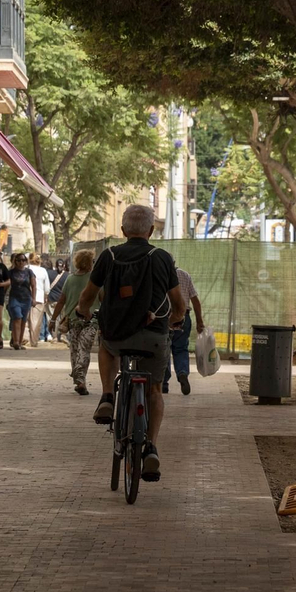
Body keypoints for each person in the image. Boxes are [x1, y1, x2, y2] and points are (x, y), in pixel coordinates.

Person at [75, 204, 185, 482]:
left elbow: (88, 295)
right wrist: (177, 319)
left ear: (123, 230)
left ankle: (107, 397)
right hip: (154, 335)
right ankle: (150, 448)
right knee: (155, 390)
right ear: (150, 231)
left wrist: (82, 312)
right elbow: (178, 302)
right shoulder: (162, 258)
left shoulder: (108, 256)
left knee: (107, 347)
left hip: (116, 334)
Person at [50, 249, 99, 394]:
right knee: (84, 349)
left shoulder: (70, 279)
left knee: (75, 350)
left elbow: (61, 301)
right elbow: (103, 297)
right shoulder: (94, 279)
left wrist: (53, 319)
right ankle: (81, 379)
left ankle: (79, 380)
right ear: (90, 262)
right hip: (91, 320)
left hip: (73, 320)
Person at [163, 265, 206, 395]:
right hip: (183, 317)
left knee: (163, 349)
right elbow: (195, 300)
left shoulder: (160, 274)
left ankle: (163, 384)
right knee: (181, 348)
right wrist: (199, 321)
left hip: (165, 317)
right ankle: (182, 373)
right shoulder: (185, 275)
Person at [6, 252, 36, 349]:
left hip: (26, 298)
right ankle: (15, 341)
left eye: (23, 260)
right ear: (15, 261)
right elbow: (6, 284)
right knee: (17, 318)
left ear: (26, 261)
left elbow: (33, 285)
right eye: (19, 260)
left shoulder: (29, 272)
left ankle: (19, 342)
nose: (21, 262)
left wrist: (34, 298)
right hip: (14, 298)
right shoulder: (11, 272)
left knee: (23, 320)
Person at [28, 254, 51, 348]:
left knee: (25, 320)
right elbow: (47, 288)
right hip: (39, 298)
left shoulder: (27, 268)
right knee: (36, 322)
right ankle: (34, 341)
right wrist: (45, 295)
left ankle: (23, 338)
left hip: (26, 297)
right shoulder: (43, 270)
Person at [45, 262, 69, 344]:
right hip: (62, 301)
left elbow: (47, 287)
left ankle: (54, 337)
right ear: (64, 266)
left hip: (51, 300)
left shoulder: (49, 273)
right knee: (63, 319)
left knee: (52, 318)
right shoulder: (68, 275)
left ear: (55, 265)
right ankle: (63, 335)